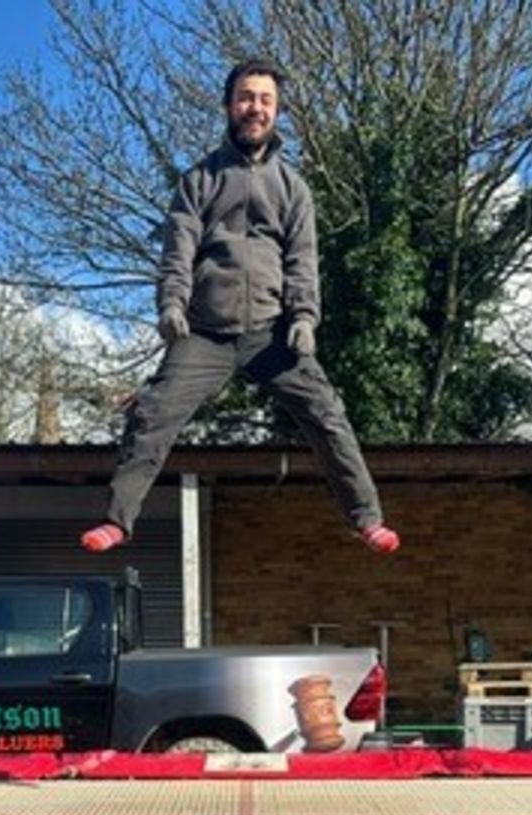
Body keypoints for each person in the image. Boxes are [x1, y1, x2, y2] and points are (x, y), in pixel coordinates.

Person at [81, 59, 399, 556]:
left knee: (327, 414)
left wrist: (304, 319)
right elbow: (178, 250)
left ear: (277, 110)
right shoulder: (199, 181)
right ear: (230, 105)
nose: (256, 108)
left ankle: (366, 518)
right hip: (205, 333)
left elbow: (302, 260)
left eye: (265, 100)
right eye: (247, 98)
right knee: (153, 412)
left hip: (273, 331)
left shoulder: (294, 188)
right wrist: (171, 307)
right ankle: (118, 521)